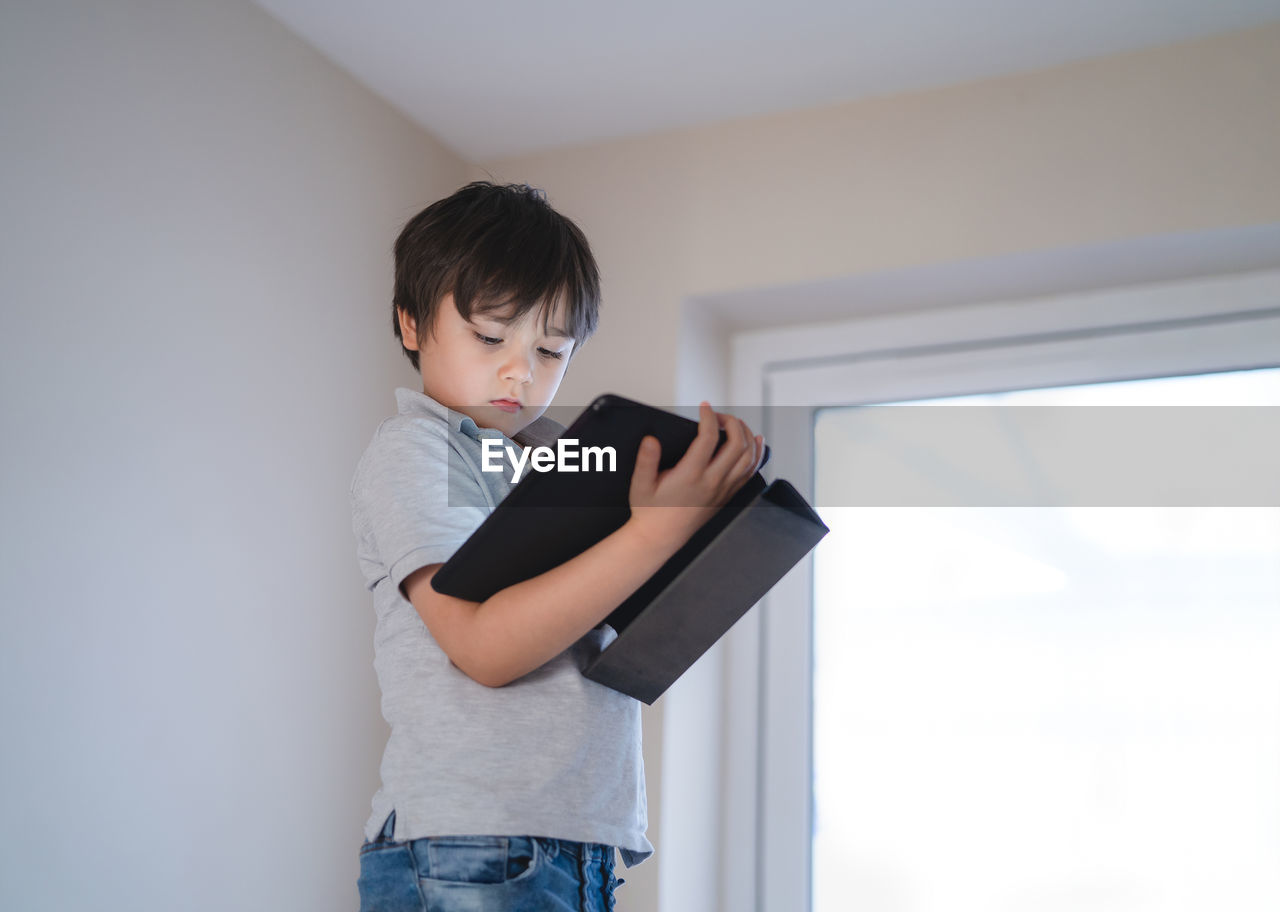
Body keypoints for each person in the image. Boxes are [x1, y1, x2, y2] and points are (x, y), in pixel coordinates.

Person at [350, 181, 764, 911]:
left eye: (549, 349)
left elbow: (615, 633)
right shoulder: (415, 450)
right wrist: (650, 533)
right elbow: (485, 649)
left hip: (579, 840)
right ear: (412, 325)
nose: (520, 371)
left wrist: (697, 528)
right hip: (472, 843)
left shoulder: (563, 461)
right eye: (489, 337)